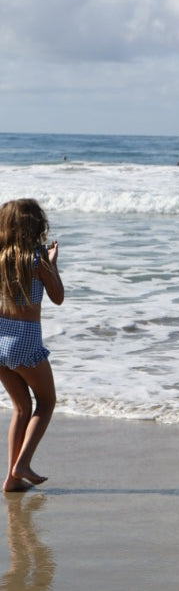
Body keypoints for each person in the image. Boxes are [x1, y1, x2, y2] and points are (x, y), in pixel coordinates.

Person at [0, 200, 65, 493]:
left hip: (0, 339)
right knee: (47, 402)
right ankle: (22, 463)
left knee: (21, 407)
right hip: (24, 340)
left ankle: (12, 480)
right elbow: (58, 297)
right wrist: (52, 264)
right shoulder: (37, 260)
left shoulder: (1, 257)